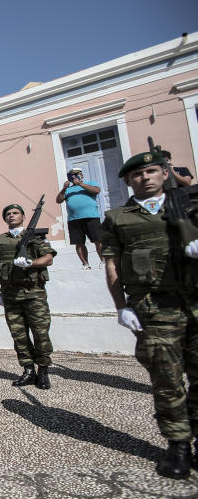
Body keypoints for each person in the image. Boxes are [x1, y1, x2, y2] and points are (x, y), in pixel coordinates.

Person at [101, 148, 198, 480]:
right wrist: (121, 306)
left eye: (151, 172)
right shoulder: (118, 218)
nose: (145, 177)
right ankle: (179, 444)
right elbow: (112, 263)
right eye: (137, 175)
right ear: (128, 181)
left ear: (165, 173)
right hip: (154, 308)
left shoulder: (190, 205)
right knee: (167, 380)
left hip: (195, 302)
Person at [0, 203, 57, 389]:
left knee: (41, 333)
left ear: (23, 216)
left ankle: (43, 370)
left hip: (34, 294)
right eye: (8, 213)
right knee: (19, 336)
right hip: (11, 296)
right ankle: (28, 370)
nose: (11, 216)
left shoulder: (35, 236)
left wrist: (31, 263)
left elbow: (48, 258)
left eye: (15, 213)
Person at [55, 167, 103, 269]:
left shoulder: (90, 183)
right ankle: (85, 264)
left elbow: (96, 190)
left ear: (81, 175)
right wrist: (64, 188)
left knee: (98, 240)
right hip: (74, 219)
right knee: (79, 243)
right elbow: (59, 200)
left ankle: (103, 261)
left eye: (77, 174)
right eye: (72, 175)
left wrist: (80, 184)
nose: (75, 176)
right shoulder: (68, 189)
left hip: (91, 217)